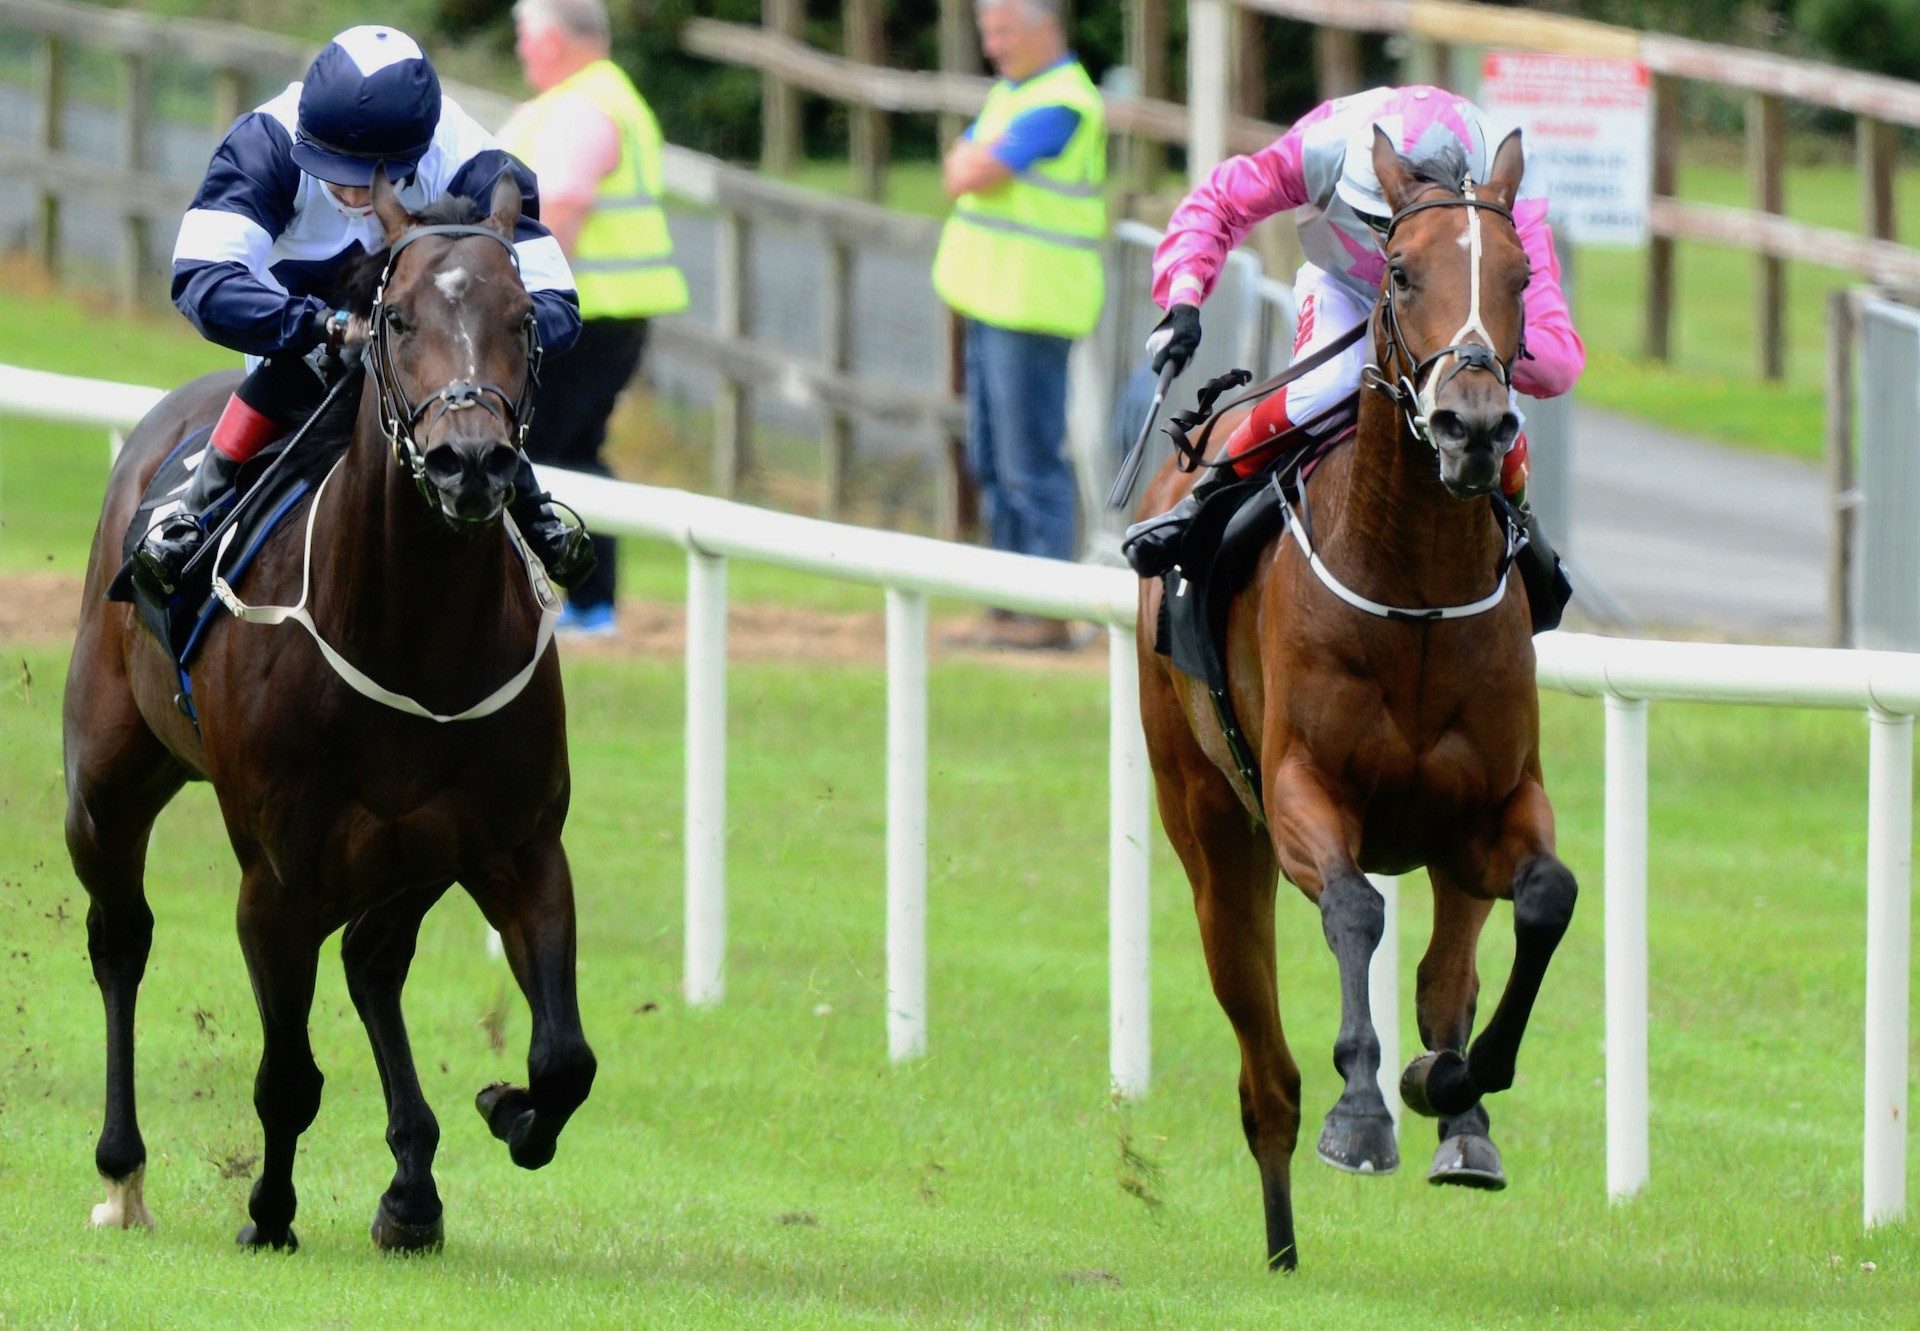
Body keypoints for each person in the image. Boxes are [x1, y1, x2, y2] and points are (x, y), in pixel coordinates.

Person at [139, 25, 588, 599]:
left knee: (473, 403)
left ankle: (537, 516)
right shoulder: (264, 144)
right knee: (298, 368)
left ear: (421, 150)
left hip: (429, 357)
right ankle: (192, 515)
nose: (352, 197)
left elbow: (556, 306)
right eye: (333, 171)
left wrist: (476, 333)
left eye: (369, 179)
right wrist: (321, 327)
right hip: (299, 345)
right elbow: (201, 279)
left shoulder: (475, 163)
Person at [1121, 84, 1584, 583]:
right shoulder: (1322, 146)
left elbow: (1556, 350)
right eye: (1375, 223)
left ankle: (1524, 539)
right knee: (1321, 392)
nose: (1386, 243)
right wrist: (1184, 297)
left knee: (1494, 410)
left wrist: (1483, 348)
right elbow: (1218, 204)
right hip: (1347, 291)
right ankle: (1202, 501)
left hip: (1454, 317)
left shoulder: (1508, 175)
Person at [501, 0, 687, 637]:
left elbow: (560, 213)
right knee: (569, 448)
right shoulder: (588, 98)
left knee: (550, 449)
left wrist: (517, 301)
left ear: (554, 40)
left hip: (582, 315)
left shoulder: (584, 107)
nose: (522, 49)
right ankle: (588, 599)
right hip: (598, 312)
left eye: (527, 36)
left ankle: (588, 599)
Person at [931, 0, 1106, 650]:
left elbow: (970, 168)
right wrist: (972, 159)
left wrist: (973, 156)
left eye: (1003, 31)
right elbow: (962, 170)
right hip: (994, 299)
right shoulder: (1017, 92)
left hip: (1032, 305)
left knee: (1028, 459)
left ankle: (1048, 610)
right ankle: (1009, 604)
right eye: (987, 33)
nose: (993, 45)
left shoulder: (1061, 102)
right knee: (991, 455)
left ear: (1043, 29)